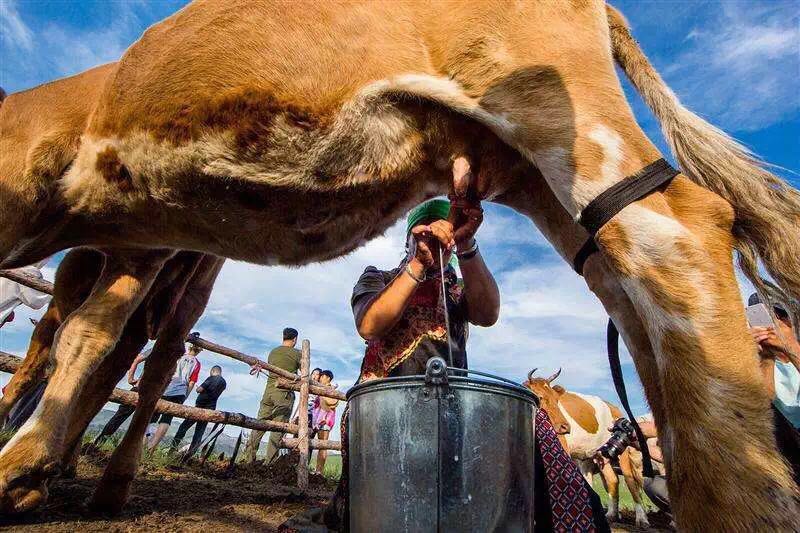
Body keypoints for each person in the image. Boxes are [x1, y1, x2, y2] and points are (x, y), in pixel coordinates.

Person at [323, 198, 609, 532]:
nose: (436, 239)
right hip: (384, 415)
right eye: (427, 231)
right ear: (409, 239)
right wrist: (418, 264)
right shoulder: (379, 277)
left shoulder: (457, 291)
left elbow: (488, 313)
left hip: (447, 415)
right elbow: (370, 325)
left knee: (443, 503)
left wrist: (466, 243)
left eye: (443, 232)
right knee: (384, 505)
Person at [243, 327, 302, 463]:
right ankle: (269, 462)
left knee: (259, 424)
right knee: (278, 428)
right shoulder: (296, 353)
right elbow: (304, 371)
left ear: (283, 337)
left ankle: (248, 459)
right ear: (295, 339)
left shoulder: (273, 352)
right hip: (283, 394)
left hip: (268, 392)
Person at [146, 344, 202, 450]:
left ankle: (144, 443)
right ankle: (152, 447)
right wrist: (185, 395)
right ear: (199, 351)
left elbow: (168, 370)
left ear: (189, 347)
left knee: (152, 416)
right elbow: (192, 382)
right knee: (167, 419)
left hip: (167, 388)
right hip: (180, 392)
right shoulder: (197, 363)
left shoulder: (180, 356)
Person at [170, 365, 227, 455]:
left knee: (183, 427)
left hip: (199, 408)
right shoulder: (224, 382)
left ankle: (172, 449)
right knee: (199, 433)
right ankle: (189, 455)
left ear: (212, 371)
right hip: (210, 410)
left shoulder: (211, 378)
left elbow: (199, 390)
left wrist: (197, 387)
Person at [312, 370, 339, 473]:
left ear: (328, 378)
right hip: (320, 420)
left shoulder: (329, 389)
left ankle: (320, 471)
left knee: (323, 446)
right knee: (321, 445)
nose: (320, 378)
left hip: (326, 420)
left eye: (323, 376)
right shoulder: (323, 389)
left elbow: (332, 403)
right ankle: (318, 470)